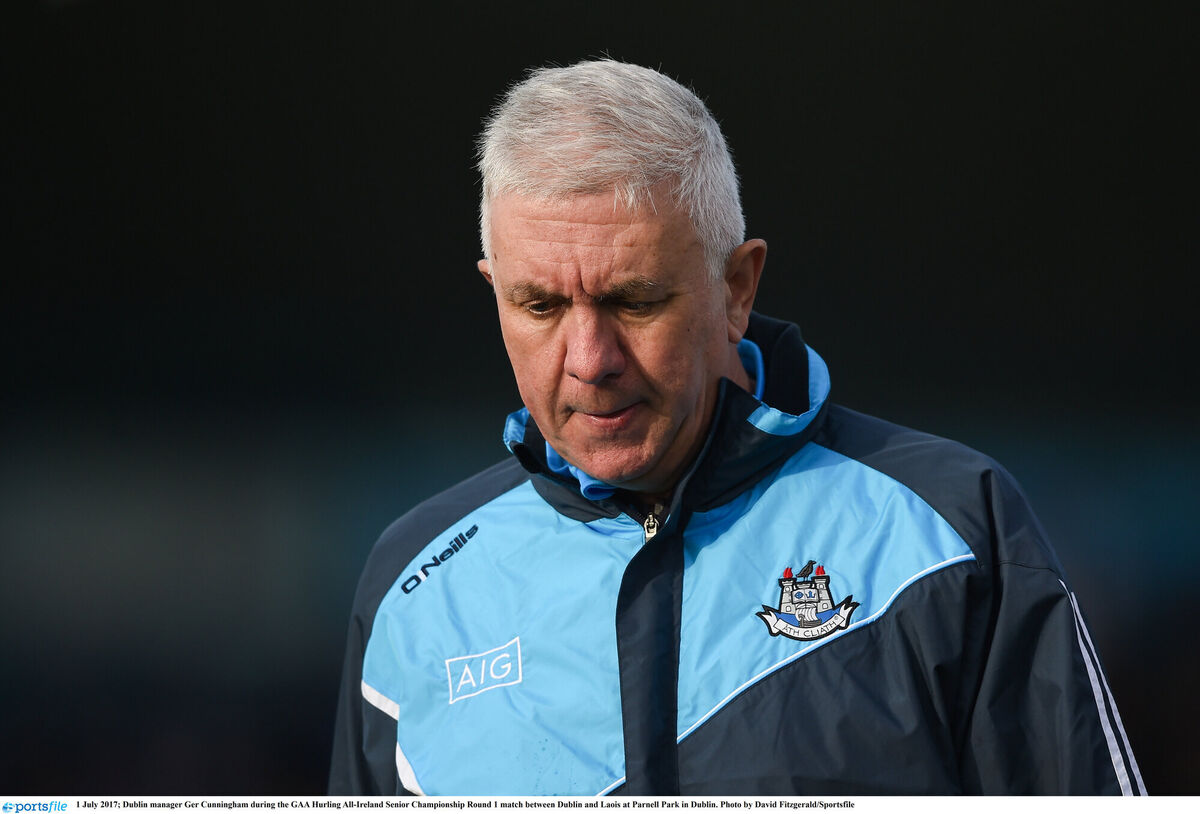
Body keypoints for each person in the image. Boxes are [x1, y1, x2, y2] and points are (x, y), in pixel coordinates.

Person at [328, 59, 1143, 796]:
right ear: (493, 291)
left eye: (634, 300)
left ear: (737, 288)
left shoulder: (954, 534)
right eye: (539, 305)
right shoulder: (412, 586)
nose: (588, 359)